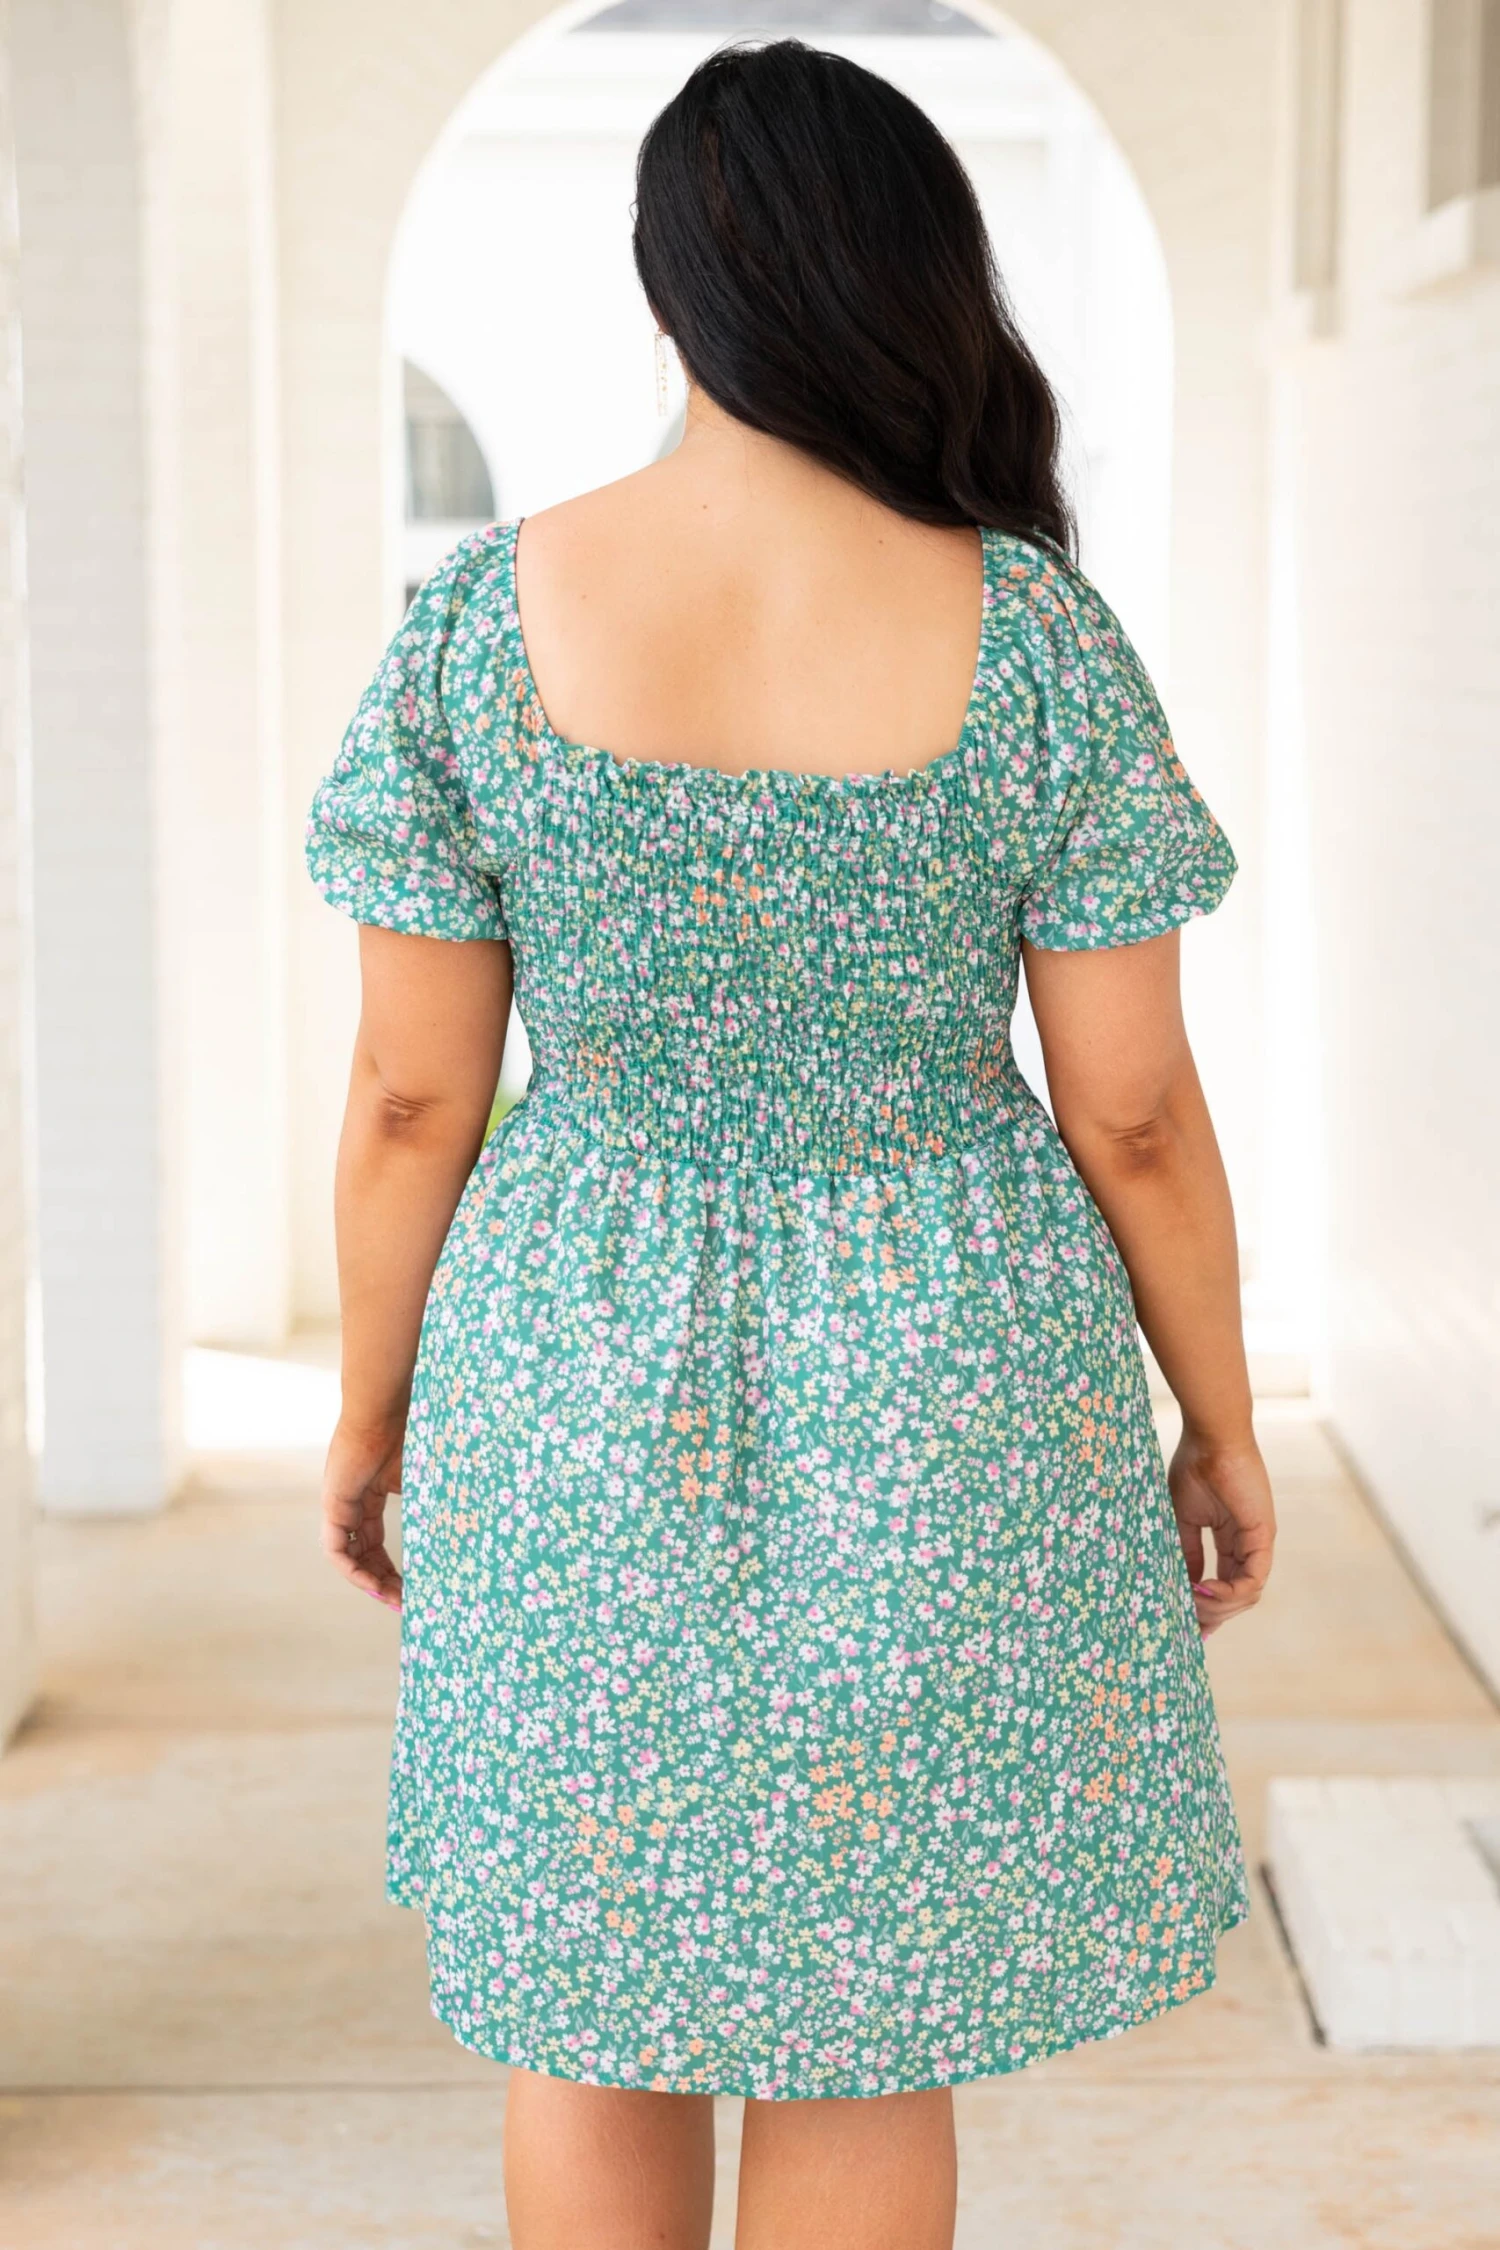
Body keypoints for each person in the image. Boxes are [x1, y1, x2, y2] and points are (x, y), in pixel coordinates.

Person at [305, 38, 1275, 2250]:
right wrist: (1215, 1418)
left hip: (571, 1345)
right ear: (919, 277)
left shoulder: (475, 627)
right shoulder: (1037, 641)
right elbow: (1131, 1108)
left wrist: (373, 1407)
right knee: (870, 2004)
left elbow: (410, 1094)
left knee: (589, 1989)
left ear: (669, 292)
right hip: (948, 1360)